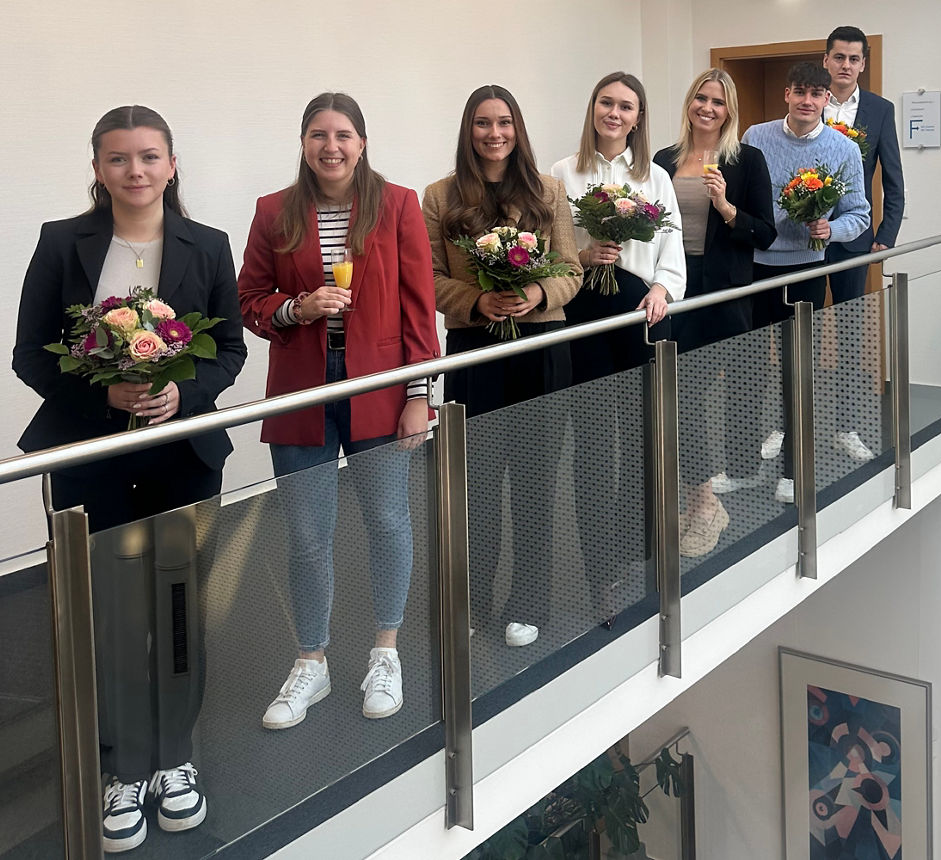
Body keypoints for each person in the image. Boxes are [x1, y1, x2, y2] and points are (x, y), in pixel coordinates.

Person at [13, 105, 247, 853]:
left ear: (172, 165)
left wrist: (187, 391)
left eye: (149, 157)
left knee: (179, 612)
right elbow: (30, 355)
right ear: (97, 169)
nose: (135, 171)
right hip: (93, 458)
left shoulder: (207, 246)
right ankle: (125, 767)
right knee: (110, 618)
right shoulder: (62, 242)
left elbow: (231, 349)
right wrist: (102, 392)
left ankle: (176, 759)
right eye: (118, 159)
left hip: (181, 457)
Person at [237, 93, 440, 731]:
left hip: (381, 386)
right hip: (302, 388)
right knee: (306, 535)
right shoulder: (274, 211)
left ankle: (385, 650)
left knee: (387, 522)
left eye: (344, 134)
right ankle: (312, 660)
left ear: (362, 141)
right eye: (320, 134)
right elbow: (250, 301)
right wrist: (297, 308)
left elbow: (418, 305)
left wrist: (419, 395)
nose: (332, 146)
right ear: (303, 142)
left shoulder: (399, 203)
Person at [423, 85, 582, 647]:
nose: (494, 134)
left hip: (541, 349)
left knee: (537, 485)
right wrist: (476, 301)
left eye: (505, 123)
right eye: (483, 124)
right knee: (477, 487)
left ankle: (529, 601)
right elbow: (430, 281)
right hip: (475, 354)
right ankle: (471, 601)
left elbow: (571, 270)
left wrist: (538, 293)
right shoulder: (440, 197)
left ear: (518, 130)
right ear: (469, 132)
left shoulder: (549, 191)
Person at [551, 72, 686, 619]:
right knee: (591, 454)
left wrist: (662, 286)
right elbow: (550, 251)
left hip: (638, 317)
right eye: (606, 102)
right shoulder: (563, 173)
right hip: (583, 319)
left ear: (638, 116)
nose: (614, 113)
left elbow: (671, 243)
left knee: (640, 443)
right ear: (593, 108)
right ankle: (599, 574)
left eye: (625, 106)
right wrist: (583, 258)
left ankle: (643, 557)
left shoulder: (653, 176)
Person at [652, 68, 776, 557]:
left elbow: (764, 233)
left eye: (718, 102)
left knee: (693, 398)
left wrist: (725, 206)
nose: (707, 107)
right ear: (689, 103)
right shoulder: (663, 160)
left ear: (730, 111)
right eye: (700, 98)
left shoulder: (748, 160)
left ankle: (703, 504)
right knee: (676, 400)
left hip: (723, 296)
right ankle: (702, 502)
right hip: (674, 292)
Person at [742, 63, 869, 503]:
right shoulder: (754, 137)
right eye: (800, 92)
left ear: (827, 99)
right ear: (786, 94)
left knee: (800, 370)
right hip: (755, 267)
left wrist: (830, 230)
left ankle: (793, 471)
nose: (807, 101)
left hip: (806, 270)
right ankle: (744, 463)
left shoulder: (843, 149)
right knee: (749, 367)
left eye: (817, 94)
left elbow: (859, 214)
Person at [821, 25, 906, 463]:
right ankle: (787, 424)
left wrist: (884, 237)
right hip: (806, 242)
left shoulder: (879, 109)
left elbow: (892, 177)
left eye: (854, 59)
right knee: (799, 331)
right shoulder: (809, 101)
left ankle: (847, 426)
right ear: (826, 60)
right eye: (839, 57)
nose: (846, 66)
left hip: (856, 241)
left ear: (863, 64)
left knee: (853, 336)